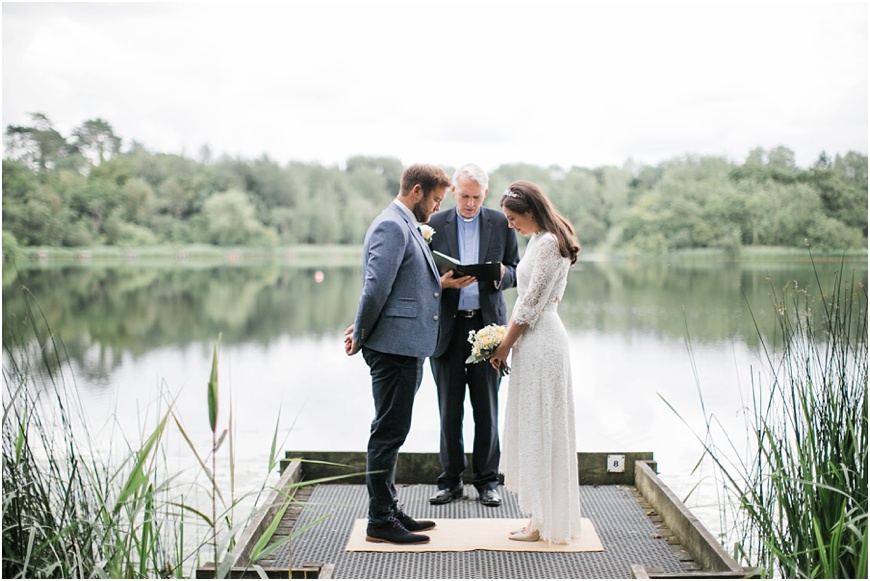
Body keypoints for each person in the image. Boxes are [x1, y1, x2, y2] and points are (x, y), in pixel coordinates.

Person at [344, 163, 451, 545]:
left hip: (405, 345)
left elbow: (404, 281)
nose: (437, 209)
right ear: (417, 191)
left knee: (393, 430)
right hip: (392, 347)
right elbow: (375, 288)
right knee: (387, 433)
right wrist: (361, 333)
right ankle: (379, 520)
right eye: (436, 200)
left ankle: (389, 507)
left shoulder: (405, 224)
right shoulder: (392, 225)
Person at [488, 180, 583, 544]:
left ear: (530, 212)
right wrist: (510, 342)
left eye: (514, 218)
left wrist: (502, 346)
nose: (511, 225)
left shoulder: (548, 244)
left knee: (543, 426)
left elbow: (529, 304)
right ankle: (539, 515)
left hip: (542, 340)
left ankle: (544, 520)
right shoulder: (538, 239)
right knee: (534, 424)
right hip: (532, 340)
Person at [426, 163, 519, 507]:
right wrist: (443, 283)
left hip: (488, 328)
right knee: (449, 409)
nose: (469, 203)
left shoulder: (500, 222)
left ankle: (487, 482)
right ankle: (449, 482)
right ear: (453, 192)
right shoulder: (433, 224)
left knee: (487, 409)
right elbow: (422, 275)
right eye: (464, 196)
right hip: (446, 329)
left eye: (476, 197)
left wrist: (497, 275)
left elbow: (516, 271)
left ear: (486, 194)